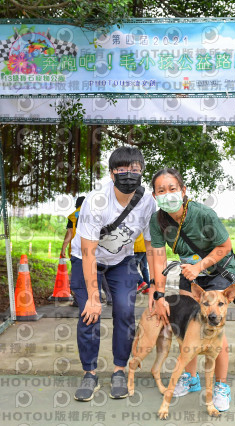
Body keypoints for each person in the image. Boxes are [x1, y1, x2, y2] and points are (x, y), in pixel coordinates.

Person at [70, 146, 156, 401]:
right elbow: (88, 253)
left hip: (122, 261)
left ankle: (119, 370)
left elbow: (152, 247)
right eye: (122, 169)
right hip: (86, 259)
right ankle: (90, 373)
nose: (129, 174)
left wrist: (156, 287)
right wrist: (94, 297)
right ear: (111, 174)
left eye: (135, 169)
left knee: (125, 311)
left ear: (141, 173)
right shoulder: (96, 201)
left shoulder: (147, 202)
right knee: (89, 314)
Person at [148, 167, 235, 412]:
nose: (167, 194)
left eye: (172, 189)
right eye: (161, 190)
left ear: (183, 190)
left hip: (216, 271)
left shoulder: (203, 214)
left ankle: (220, 386)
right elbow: (158, 258)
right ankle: (192, 378)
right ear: (155, 196)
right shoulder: (158, 221)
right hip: (189, 273)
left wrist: (200, 266)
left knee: (215, 327)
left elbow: (225, 247)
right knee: (191, 331)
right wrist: (159, 295)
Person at [60, 196, 111, 305]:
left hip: (77, 251)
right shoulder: (94, 213)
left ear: (76, 205)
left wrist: (63, 247)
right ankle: (107, 298)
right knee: (99, 274)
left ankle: (78, 301)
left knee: (78, 276)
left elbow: (69, 234)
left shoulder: (72, 216)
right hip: (94, 250)